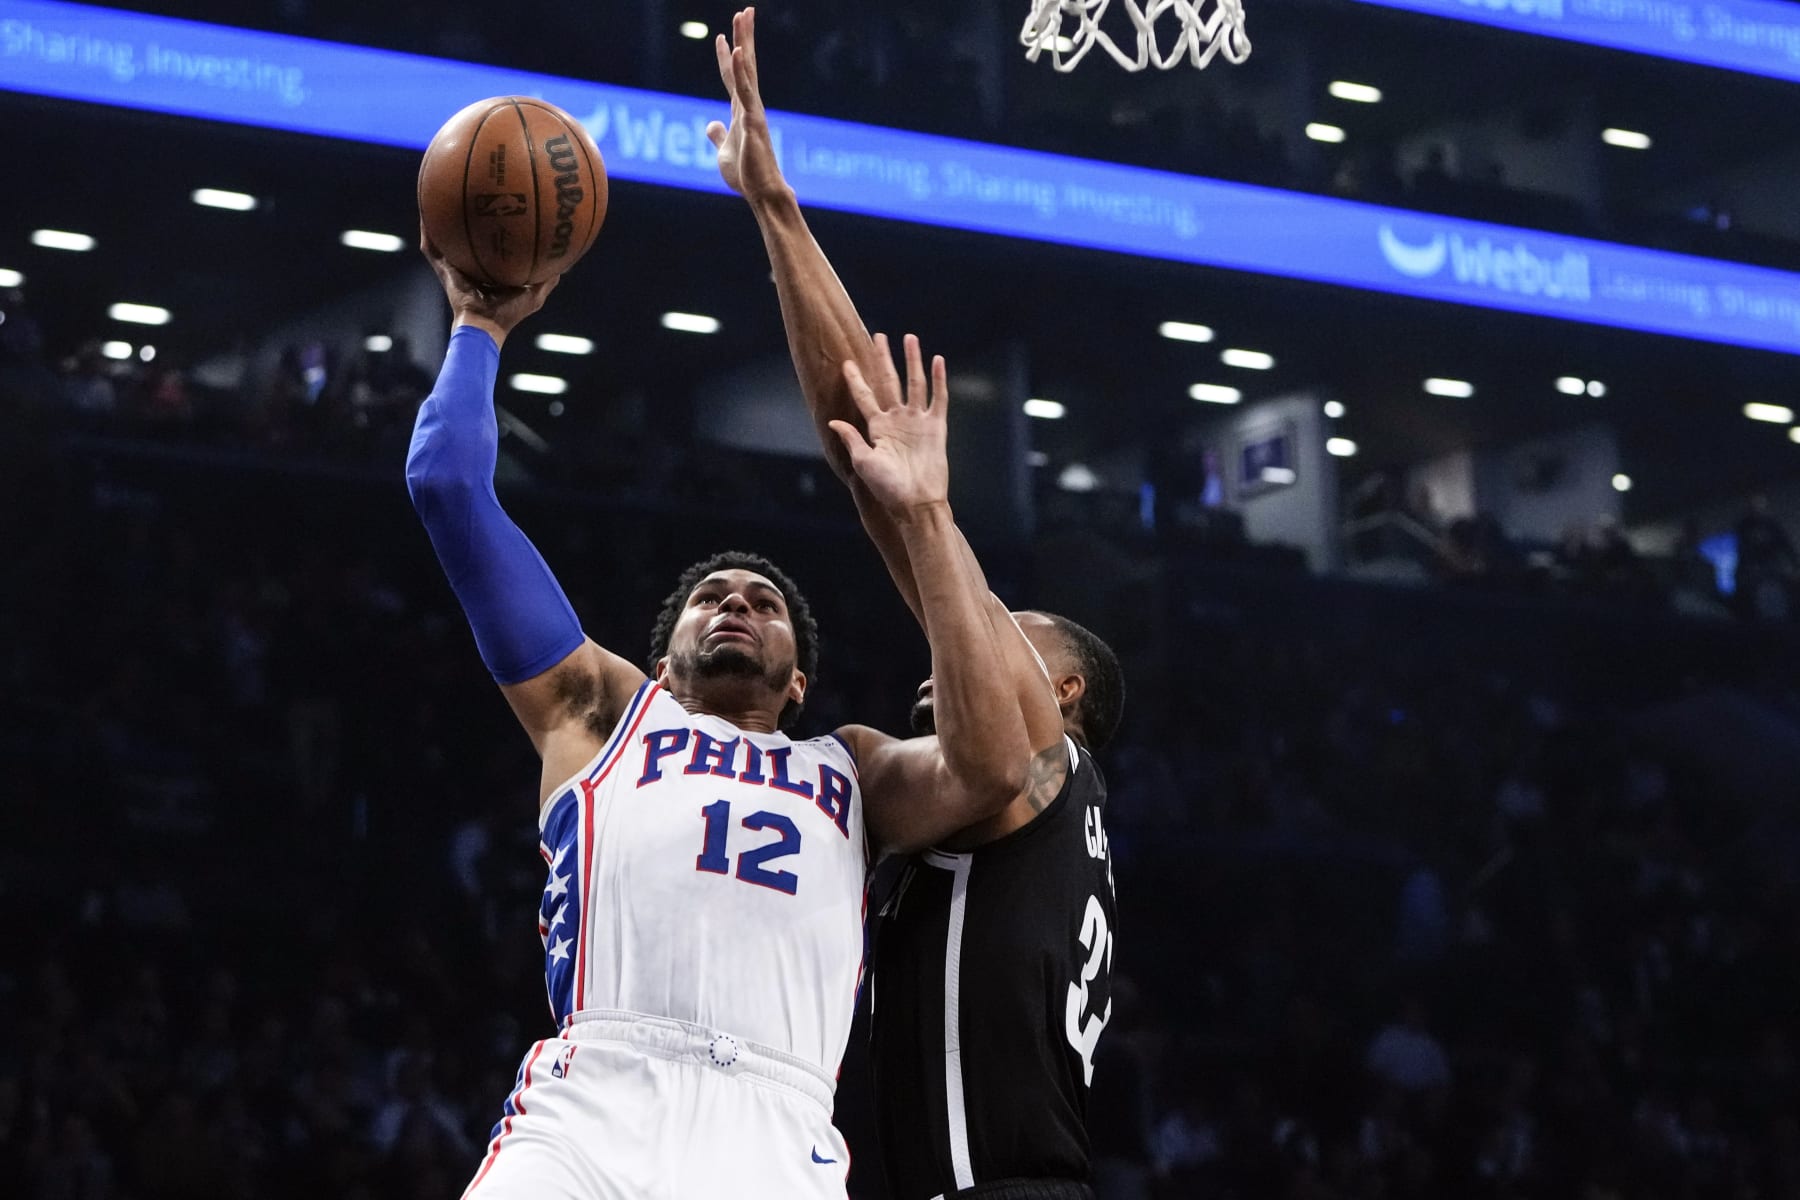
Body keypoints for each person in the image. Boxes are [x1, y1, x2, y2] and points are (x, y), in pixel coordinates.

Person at [405, 232, 1042, 1199]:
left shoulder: (851, 770)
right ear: (663, 664)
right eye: (711, 597)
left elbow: (995, 765)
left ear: (799, 684)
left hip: (775, 1133)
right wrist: (479, 326)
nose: (736, 601)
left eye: (763, 602)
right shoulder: (603, 713)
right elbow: (447, 487)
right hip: (595, 1107)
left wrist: (924, 515)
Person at [708, 11, 1126, 1197]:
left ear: (1064, 690)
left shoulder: (1047, 763)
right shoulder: (1036, 824)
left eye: (1008, 630)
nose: (961, 642)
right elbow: (870, 470)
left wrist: (780, 211)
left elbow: (875, 470)